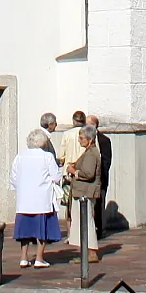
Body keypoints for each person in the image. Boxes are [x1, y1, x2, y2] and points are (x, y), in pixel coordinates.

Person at [9, 128, 63, 269]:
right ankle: (39, 258)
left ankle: (23, 257)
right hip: (42, 199)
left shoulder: (20, 157)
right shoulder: (47, 157)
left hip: (24, 200)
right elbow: (56, 176)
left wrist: (20, 189)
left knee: (24, 230)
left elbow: (13, 178)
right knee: (42, 229)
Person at [67, 125, 103, 264]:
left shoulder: (92, 153)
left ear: (90, 139)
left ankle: (91, 252)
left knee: (86, 221)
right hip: (82, 192)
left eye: (81, 138)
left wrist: (73, 171)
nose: (79, 140)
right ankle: (86, 252)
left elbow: (88, 173)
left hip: (85, 193)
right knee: (81, 221)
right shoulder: (89, 152)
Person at [56, 110, 87, 216]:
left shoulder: (66, 134)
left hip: (68, 173)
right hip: (83, 171)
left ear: (73, 121)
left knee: (68, 203)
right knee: (84, 202)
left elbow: (61, 156)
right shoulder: (88, 134)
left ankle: (70, 230)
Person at [88, 115, 113, 235]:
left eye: (87, 124)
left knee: (98, 205)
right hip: (87, 179)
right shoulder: (85, 139)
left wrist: (100, 177)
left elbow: (106, 161)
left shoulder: (104, 140)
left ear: (94, 125)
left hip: (100, 179)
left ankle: (98, 230)